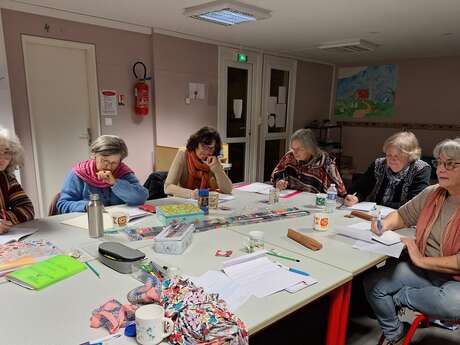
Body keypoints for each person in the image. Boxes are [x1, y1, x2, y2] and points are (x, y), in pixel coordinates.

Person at [363, 138, 460, 345]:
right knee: (373, 283)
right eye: (439, 162)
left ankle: (401, 298)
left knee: (455, 304)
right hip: (426, 271)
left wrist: (420, 259)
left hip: (454, 279)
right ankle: (395, 331)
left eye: (450, 164)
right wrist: (384, 224)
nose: (441, 169)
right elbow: (402, 216)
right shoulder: (432, 194)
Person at [57, 135, 148, 214]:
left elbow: (141, 198)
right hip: (89, 222)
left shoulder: (123, 171)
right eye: (104, 161)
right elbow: (62, 204)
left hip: (118, 221)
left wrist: (115, 183)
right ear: (94, 155)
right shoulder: (79, 173)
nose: (108, 167)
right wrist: (88, 206)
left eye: (114, 163)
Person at [344, 132, 431, 209]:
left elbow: (415, 203)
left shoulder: (421, 169)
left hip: (403, 217)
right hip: (373, 213)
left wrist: (382, 206)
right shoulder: (379, 164)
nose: (392, 159)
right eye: (389, 155)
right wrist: (356, 197)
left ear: (410, 157)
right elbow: (361, 188)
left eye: (397, 156)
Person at [270, 128, 346, 196]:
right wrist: (279, 181)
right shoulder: (290, 156)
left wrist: (347, 197)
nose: (295, 153)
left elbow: (340, 191)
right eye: (293, 148)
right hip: (290, 199)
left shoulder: (324, 161)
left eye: (300, 149)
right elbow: (275, 174)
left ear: (310, 148)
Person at [164, 126, 232, 199]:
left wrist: (218, 170)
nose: (207, 152)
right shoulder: (183, 155)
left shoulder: (213, 159)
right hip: (185, 202)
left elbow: (228, 190)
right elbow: (167, 187)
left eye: (211, 148)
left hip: (206, 202)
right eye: (203, 147)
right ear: (196, 144)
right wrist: (192, 194)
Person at [0, 127, 34, 234]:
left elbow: (27, 210)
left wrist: (3, 219)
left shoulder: (7, 177)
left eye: (7, 152)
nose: (2, 157)